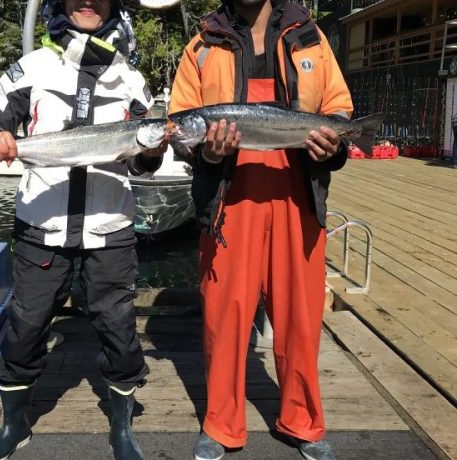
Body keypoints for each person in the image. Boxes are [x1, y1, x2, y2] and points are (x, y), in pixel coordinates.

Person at [0, 1, 168, 459]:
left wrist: (153, 151)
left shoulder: (131, 79)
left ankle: (122, 426)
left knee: (119, 327)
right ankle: (14, 425)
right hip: (42, 224)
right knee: (26, 325)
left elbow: (142, 164)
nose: (88, 1)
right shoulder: (31, 67)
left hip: (110, 225)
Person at [169, 1, 353, 459]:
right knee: (225, 315)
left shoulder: (309, 36)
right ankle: (221, 423)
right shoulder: (201, 45)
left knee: (300, 318)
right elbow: (180, 124)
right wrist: (207, 152)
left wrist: (333, 144)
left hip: (298, 196)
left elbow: (338, 107)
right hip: (228, 198)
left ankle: (303, 420)